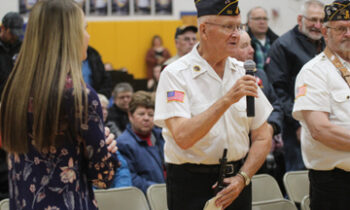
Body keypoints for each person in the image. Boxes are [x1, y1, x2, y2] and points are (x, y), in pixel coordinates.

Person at [155, 0, 273, 209]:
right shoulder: (175, 74)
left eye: (239, 26)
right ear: (204, 30)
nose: (236, 34)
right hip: (191, 184)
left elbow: (263, 135)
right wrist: (227, 100)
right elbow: (182, 137)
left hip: (237, 182)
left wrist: (243, 178)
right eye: (228, 26)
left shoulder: (243, 71)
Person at [0, 1, 118, 209]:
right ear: (68, 36)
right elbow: (103, 177)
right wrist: (108, 149)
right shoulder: (79, 94)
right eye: (85, 29)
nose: (88, 37)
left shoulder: (13, 88)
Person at [292, 1, 350, 209]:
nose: (349, 34)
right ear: (325, 32)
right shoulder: (314, 72)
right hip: (336, 185)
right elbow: (320, 129)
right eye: (342, 29)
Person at [265, 0, 325, 171]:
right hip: (296, 128)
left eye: (322, 20)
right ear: (300, 19)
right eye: (313, 19)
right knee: (300, 177)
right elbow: (279, 91)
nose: (318, 25)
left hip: (325, 124)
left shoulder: (326, 44)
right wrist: (299, 124)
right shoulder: (283, 46)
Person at [230, 30, 285, 193]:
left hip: (266, 149)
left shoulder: (260, 74)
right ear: (231, 50)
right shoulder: (226, 79)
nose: (252, 50)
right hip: (239, 152)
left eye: (251, 45)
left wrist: (270, 127)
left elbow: (276, 105)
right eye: (245, 46)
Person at [117, 91, 165, 193]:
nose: (146, 118)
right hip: (147, 199)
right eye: (141, 114)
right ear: (130, 116)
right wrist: (161, 190)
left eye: (150, 114)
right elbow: (132, 179)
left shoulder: (162, 137)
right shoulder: (123, 144)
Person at [0, 12, 24, 201]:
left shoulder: (24, 48)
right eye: (12, 32)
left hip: (18, 107)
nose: (15, 36)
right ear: (3, 29)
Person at [98, 94, 132, 188]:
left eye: (106, 109)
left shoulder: (108, 131)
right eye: (100, 108)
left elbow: (121, 167)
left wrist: (121, 192)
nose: (104, 112)